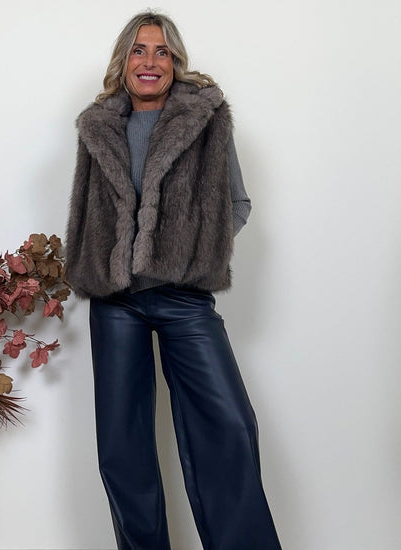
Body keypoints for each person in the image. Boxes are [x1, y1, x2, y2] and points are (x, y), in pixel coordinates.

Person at [66, 10, 282, 550]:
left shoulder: (205, 118)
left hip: (184, 298)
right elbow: (85, 212)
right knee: (122, 448)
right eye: (139, 51)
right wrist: (90, 265)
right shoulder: (98, 125)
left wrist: (191, 253)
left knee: (228, 426)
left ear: (175, 61)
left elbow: (237, 203)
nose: (150, 61)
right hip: (116, 300)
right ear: (124, 61)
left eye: (161, 51)